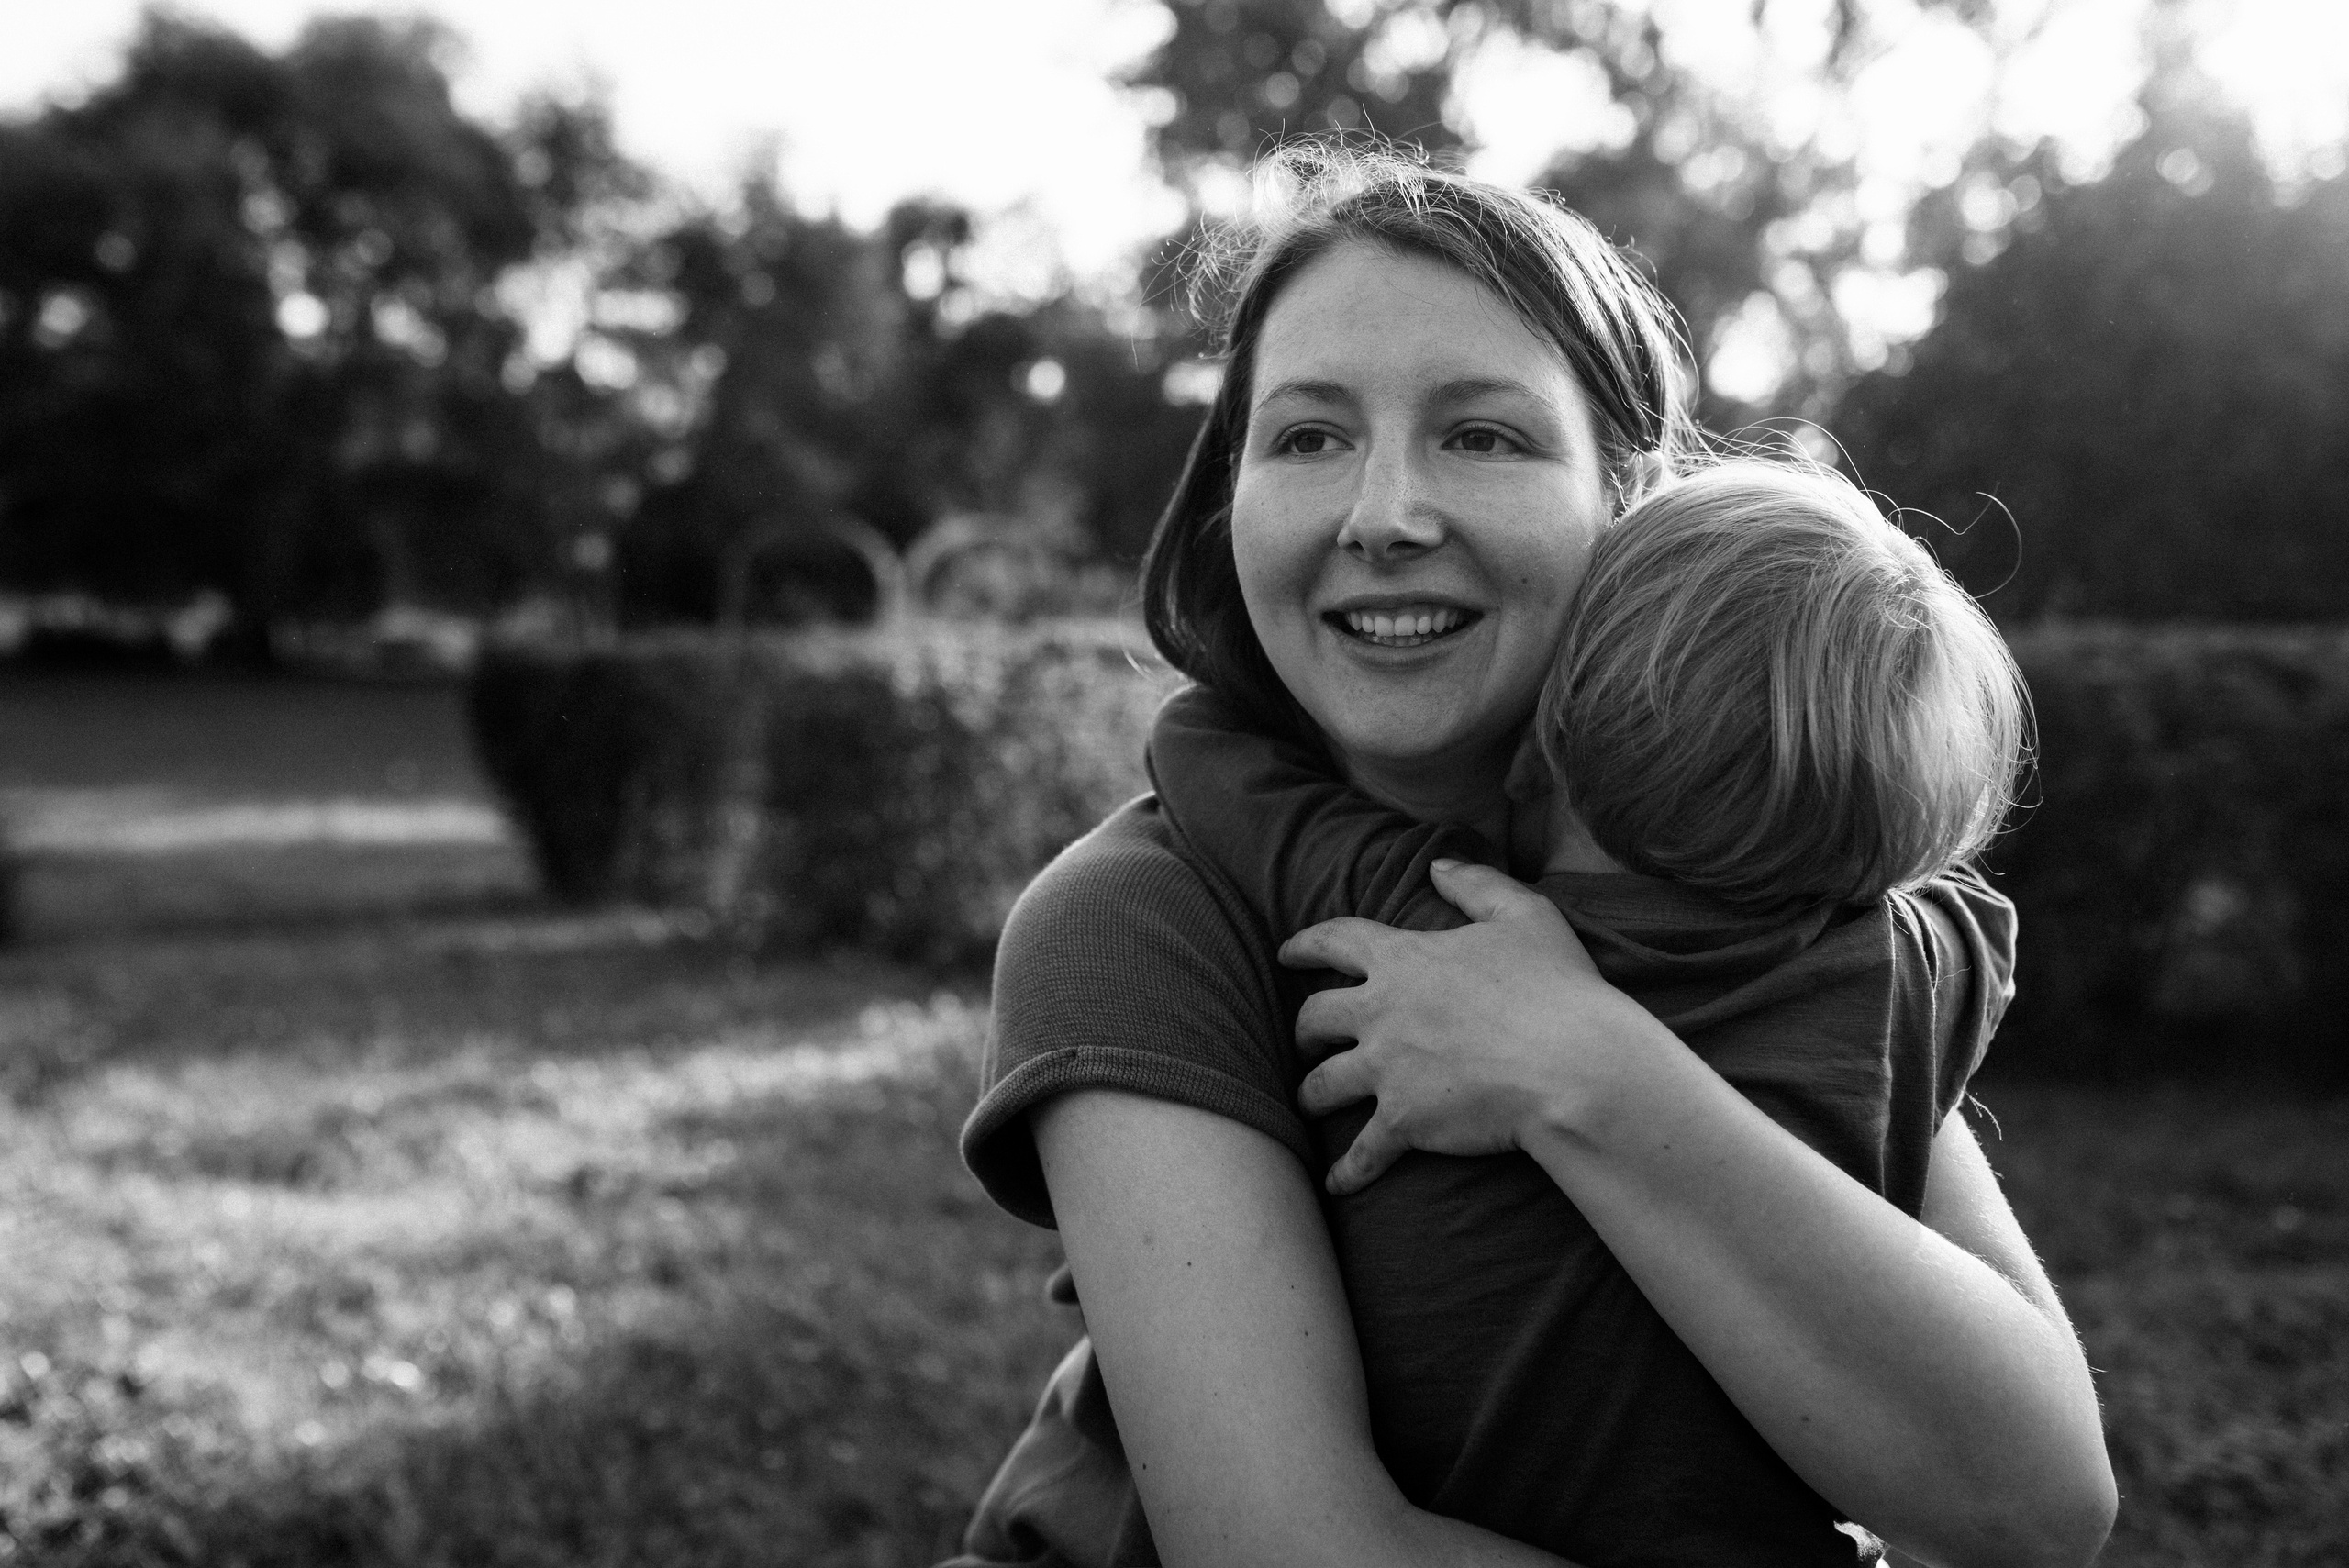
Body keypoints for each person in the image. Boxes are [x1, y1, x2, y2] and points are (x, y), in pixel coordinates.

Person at [952, 147, 2116, 1568]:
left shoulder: (1773, 884)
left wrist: (1587, 1066)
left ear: (1628, 497)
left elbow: (2035, 1500)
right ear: (1229, 497)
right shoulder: (1135, 919)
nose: (1382, 515)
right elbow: (1290, 1548)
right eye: (1308, 437)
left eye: (1481, 435)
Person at [1147, 456, 2026, 1216]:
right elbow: (1980, 910)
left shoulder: (1431, 924)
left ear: (1541, 745)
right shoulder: (1911, 971)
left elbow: (1197, 746)